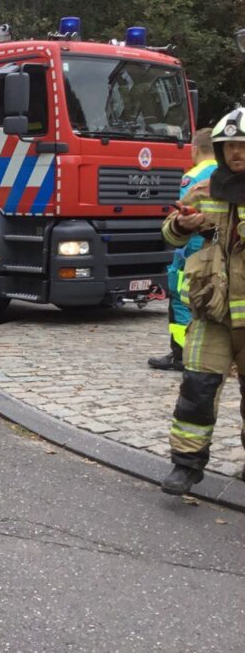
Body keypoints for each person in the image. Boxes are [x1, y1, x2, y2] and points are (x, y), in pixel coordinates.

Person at [159, 110, 245, 494]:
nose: (236, 153)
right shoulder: (206, 187)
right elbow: (171, 232)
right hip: (213, 313)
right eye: (229, 146)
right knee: (197, 389)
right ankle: (186, 465)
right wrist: (183, 223)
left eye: (243, 145)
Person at [148, 127, 216, 371]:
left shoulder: (193, 177)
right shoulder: (225, 175)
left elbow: (185, 217)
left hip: (192, 250)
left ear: (194, 149)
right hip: (219, 251)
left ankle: (181, 354)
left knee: (180, 299)